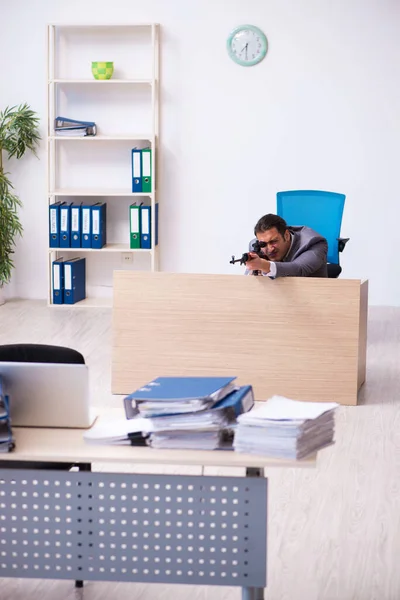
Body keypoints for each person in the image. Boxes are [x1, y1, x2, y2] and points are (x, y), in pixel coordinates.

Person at [245, 213, 328, 278]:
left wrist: (264, 265)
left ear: (286, 236)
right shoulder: (256, 246)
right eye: (263, 244)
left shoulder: (314, 243)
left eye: (274, 241)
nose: (270, 249)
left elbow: (299, 269)